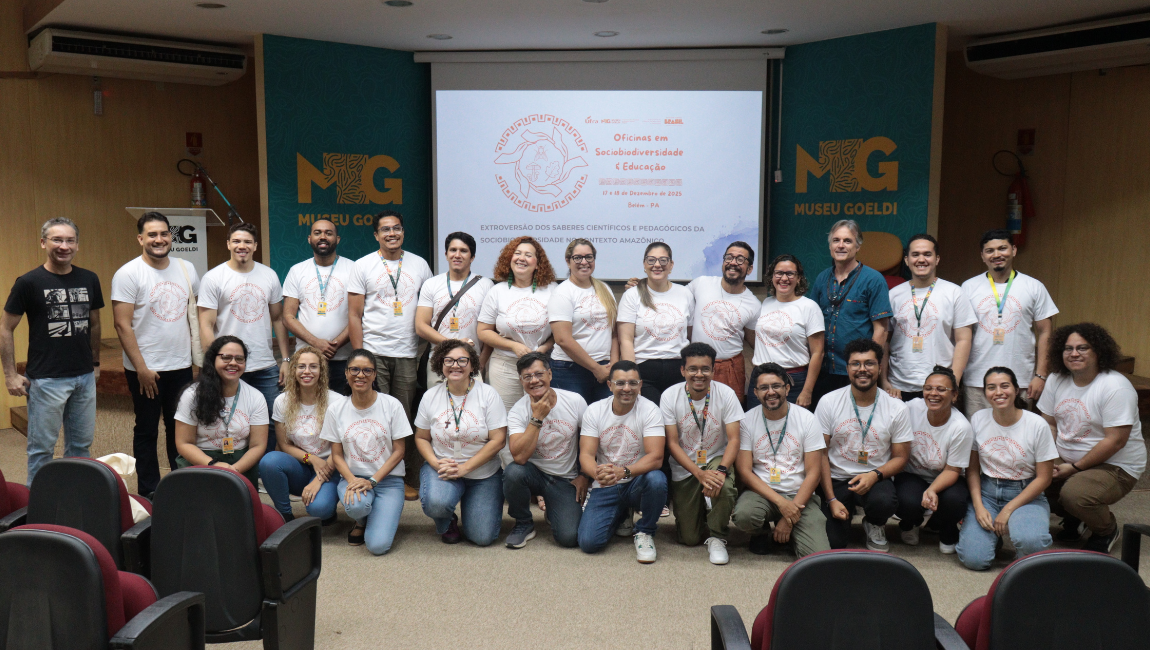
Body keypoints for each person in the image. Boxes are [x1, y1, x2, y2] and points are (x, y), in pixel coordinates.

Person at [2, 218, 103, 485]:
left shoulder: (89, 278)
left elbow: (94, 323)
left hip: (83, 377)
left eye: (70, 240)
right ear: (44, 242)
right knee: (41, 450)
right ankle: (37, 508)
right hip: (46, 379)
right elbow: (5, 328)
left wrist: (95, 363)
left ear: (77, 245)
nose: (64, 246)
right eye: (57, 240)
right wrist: (10, 374)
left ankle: (75, 499)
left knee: (81, 448)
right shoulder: (28, 282)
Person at [110, 212, 199, 498]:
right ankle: (148, 490)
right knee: (147, 430)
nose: (158, 240)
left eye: (163, 234)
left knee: (180, 428)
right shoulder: (128, 273)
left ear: (171, 237)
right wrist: (142, 369)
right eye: (152, 235)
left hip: (182, 365)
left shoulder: (187, 269)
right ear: (140, 239)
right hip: (146, 369)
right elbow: (122, 324)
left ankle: (180, 484)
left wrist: (198, 360)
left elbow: (196, 315)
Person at [1039, 323, 1145, 554]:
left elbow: (1115, 441)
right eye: (1068, 348)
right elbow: (1048, 423)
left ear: (1098, 351)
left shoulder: (1115, 386)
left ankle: (1106, 529)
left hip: (1116, 466)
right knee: (1030, 478)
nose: (1074, 353)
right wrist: (1050, 460)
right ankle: (1076, 518)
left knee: (1074, 494)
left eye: (1082, 348)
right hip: (1067, 458)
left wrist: (1074, 468)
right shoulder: (1057, 379)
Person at [349, 210, 433, 497]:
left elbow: (428, 309)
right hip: (373, 352)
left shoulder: (420, 265)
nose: (391, 234)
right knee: (375, 415)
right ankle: (377, 474)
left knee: (404, 417)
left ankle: (406, 476)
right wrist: (361, 356)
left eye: (396, 228)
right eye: (385, 230)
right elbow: (354, 314)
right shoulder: (363, 266)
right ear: (376, 235)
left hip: (408, 352)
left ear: (403, 232)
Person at [197, 222, 288, 453]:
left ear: (255, 246)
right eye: (236, 241)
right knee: (226, 423)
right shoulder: (214, 277)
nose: (242, 246)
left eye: (247, 241)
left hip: (264, 366)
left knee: (270, 421)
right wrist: (212, 363)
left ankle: (262, 471)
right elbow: (206, 324)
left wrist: (285, 360)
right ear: (228, 244)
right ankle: (233, 472)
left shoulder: (269, 275)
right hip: (228, 365)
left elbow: (278, 319)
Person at [957, 367, 1057, 570]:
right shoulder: (978, 419)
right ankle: (995, 538)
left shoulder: (1037, 424)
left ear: (1016, 389)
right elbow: (973, 470)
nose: (998, 392)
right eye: (991, 387)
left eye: (1005, 386)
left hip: (1025, 493)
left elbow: (1044, 478)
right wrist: (978, 506)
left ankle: (1021, 532)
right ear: (985, 392)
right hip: (987, 492)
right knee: (974, 560)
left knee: (1032, 547)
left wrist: (1009, 510)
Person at [816, 338, 911, 551]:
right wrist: (831, 498)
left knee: (884, 501)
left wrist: (874, 475)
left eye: (869, 363)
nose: (862, 369)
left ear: (879, 367)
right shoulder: (828, 402)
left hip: (876, 476)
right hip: (837, 477)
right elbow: (820, 453)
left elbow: (901, 457)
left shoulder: (897, 408)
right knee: (835, 543)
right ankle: (839, 510)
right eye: (856, 364)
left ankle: (875, 523)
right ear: (847, 368)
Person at [413, 340, 507, 546]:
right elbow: (421, 437)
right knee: (437, 503)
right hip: (443, 468)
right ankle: (447, 520)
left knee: (482, 538)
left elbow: (498, 439)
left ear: (472, 365)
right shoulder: (430, 396)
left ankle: (470, 502)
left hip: (483, 473)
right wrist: (435, 463)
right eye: (449, 360)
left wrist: (465, 468)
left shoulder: (488, 395)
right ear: (440, 364)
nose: (455, 365)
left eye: (462, 360)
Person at [732, 363, 831, 558]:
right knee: (744, 515)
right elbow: (744, 470)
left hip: (799, 495)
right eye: (764, 388)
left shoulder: (807, 419)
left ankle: (791, 530)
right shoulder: (746, 420)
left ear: (787, 388)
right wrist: (781, 504)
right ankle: (762, 532)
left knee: (818, 556)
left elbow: (814, 473)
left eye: (776, 386)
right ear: (756, 392)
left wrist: (789, 518)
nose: (770, 392)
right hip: (763, 494)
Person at [320, 348, 412, 554]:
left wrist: (373, 481)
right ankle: (362, 520)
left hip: (387, 481)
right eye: (354, 369)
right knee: (358, 506)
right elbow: (336, 455)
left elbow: (399, 451)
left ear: (375, 375)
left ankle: (377, 517)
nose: (360, 375)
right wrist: (352, 480)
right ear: (346, 373)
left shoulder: (391, 405)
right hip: (352, 477)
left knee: (377, 546)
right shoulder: (336, 409)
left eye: (367, 370)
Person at [576, 361, 668, 563]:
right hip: (606, 483)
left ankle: (645, 531)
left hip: (636, 482)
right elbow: (586, 455)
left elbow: (656, 457)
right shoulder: (595, 410)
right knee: (588, 543)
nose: (627, 388)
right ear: (610, 385)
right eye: (620, 383)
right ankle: (621, 513)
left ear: (640, 385)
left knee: (657, 480)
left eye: (633, 383)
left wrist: (624, 472)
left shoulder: (650, 410)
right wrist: (596, 473)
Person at [661, 342, 742, 564]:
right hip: (686, 465)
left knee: (721, 485)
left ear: (713, 370)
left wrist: (722, 470)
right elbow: (672, 443)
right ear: (682, 370)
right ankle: (704, 512)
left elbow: (735, 438)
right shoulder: (670, 396)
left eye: (705, 369)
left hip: (716, 458)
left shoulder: (725, 393)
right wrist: (699, 474)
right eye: (693, 369)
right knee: (689, 538)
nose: (699, 374)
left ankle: (717, 536)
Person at [961, 229, 1058, 415]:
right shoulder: (968, 287)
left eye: (1002, 248)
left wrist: (1040, 375)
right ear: (982, 256)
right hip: (977, 379)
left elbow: (1045, 332)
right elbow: (960, 334)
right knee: (978, 438)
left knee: (1017, 438)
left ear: (1013, 250)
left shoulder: (1034, 287)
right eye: (990, 251)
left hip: (1019, 380)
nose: (996, 255)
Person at [502, 352, 589, 549]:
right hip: (532, 474)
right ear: (521, 381)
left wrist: (585, 475)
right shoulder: (517, 411)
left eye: (539, 374)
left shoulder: (575, 401)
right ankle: (523, 522)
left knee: (569, 538)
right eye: (527, 377)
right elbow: (520, 457)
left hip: (565, 478)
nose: (534, 381)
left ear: (550, 374)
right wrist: (537, 417)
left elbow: (590, 441)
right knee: (513, 472)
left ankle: (554, 508)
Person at [882, 234, 976, 402]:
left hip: (939, 386)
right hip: (898, 387)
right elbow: (885, 341)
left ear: (937, 259)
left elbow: (964, 340)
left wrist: (952, 382)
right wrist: (884, 381)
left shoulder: (954, 293)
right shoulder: (893, 295)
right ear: (906, 260)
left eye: (927, 254)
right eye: (915, 254)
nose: (921, 259)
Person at [810, 220, 892, 406]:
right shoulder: (822, 278)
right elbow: (811, 322)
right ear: (830, 245)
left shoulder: (873, 280)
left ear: (858, 246)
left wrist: (868, 366)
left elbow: (881, 330)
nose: (840, 245)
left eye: (847, 241)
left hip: (856, 372)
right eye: (836, 240)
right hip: (823, 370)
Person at [893, 366, 973, 553]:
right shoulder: (911, 408)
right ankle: (910, 523)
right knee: (906, 501)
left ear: (954, 395)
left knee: (955, 501)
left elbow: (953, 470)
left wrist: (932, 490)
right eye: (928, 388)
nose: (933, 393)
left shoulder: (961, 427)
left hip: (946, 477)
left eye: (941, 389)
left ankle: (946, 526)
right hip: (912, 474)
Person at [257, 346, 342, 523]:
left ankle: (327, 504)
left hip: (331, 466)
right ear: (294, 370)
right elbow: (284, 445)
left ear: (322, 371)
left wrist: (319, 479)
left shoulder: (337, 402)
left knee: (319, 510)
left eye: (313, 366)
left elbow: (343, 448)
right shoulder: (282, 401)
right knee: (269, 461)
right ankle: (285, 515)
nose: (307, 371)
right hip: (300, 466)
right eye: (301, 366)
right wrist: (311, 458)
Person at [173, 336, 269, 486]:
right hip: (200, 462)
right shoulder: (192, 395)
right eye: (226, 357)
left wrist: (234, 470)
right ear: (213, 360)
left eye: (239, 359)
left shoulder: (256, 397)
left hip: (240, 464)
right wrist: (214, 465)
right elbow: (184, 443)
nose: (233, 363)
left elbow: (258, 445)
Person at [478, 236, 558, 413]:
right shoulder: (497, 291)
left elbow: (560, 330)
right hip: (505, 366)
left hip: (540, 366)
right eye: (517, 253)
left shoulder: (552, 289)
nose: (521, 258)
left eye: (528, 255)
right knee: (506, 418)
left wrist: (544, 348)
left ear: (538, 264)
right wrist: (513, 346)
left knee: (541, 415)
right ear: (509, 259)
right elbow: (483, 331)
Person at [282, 218, 354, 394]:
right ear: (309, 239)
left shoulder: (354, 269)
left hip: (343, 359)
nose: (323, 236)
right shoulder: (297, 271)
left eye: (328, 233)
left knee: (341, 411)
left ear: (337, 239)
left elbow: (360, 315)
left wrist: (333, 346)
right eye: (317, 233)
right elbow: (287, 317)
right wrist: (316, 343)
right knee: (305, 411)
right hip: (306, 359)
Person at [618, 242, 694, 404]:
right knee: (652, 423)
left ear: (671, 265)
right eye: (651, 260)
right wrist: (632, 378)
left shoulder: (685, 293)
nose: (657, 265)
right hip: (644, 371)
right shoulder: (631, 295)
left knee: (677, 423)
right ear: (644, 265)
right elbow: (625, 340)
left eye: (663, 260)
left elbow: (689, 333)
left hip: (679, 371)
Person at [415, 231, 493, 387]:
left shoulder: (486, 285)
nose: (457, 255)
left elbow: (491, 330)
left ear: (472, 257)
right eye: (453, 250)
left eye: (463, 251)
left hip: (472, 361)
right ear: (446, 254)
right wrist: (453, 343)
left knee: (472, 409)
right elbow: (421, 327)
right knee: (439, 409)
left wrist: (482, 362)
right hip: (439, 360)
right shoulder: (432, 284)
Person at [686, 242, 760, 405]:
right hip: (697, 365)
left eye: (740, 259)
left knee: (729, 417)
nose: (733, 262)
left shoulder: (753, 304)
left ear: (749, 269)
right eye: (729, 257)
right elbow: (673, 297)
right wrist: (643, 287)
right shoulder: (701, 283)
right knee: (693, 413)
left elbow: (753, 339)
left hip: (730, 368)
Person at [548, 238, 618, 403]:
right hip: (570, 371)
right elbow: (562, 339)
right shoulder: (562, 293)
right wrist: (596, 369)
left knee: (605, 422)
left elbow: (614, 332)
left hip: (605, 368)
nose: (584, 262)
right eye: (578, 258)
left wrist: (613, 364)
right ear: (568, 261)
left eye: (589, 257)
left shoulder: (605, 289)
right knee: (573, 424)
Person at [751, 254, 824, 408]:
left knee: (792, 429)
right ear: (772, 277)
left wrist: (807, 391)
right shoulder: (765, 303)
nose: (784, 278)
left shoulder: (809, 307)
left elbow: (818, 353)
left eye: (790, 274)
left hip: (793, 380)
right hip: (761, 378)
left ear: (798, 278)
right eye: (779, 273)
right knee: (757, 427)